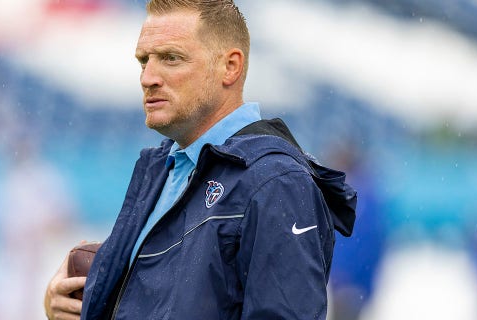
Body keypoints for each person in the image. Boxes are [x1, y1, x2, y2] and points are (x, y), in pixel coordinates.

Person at [44, 1, 357, 319]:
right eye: (143, 61)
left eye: (171, 58)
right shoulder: (161, 170)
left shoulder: (276, 181)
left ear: (230, 67)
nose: (148, 77)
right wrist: (70, 307)